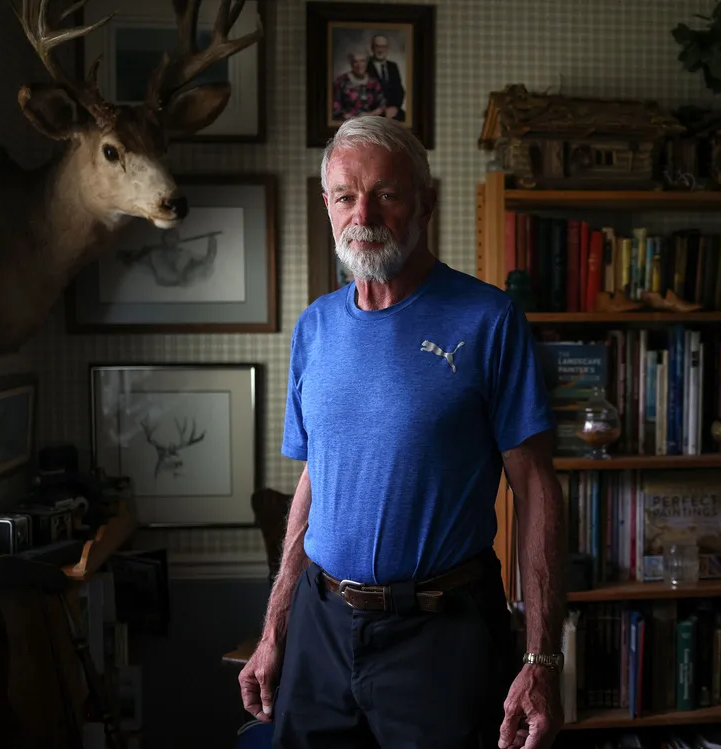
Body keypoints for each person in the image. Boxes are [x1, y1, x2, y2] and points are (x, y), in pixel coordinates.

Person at [237, 115, 567, 749]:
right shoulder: (315, 328)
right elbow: (315, 479)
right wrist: (276, 627)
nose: (364, 213)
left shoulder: (489, 319)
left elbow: (536, 490)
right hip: (321, 625)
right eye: (345, 196)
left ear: (426, 201)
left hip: (441, 636)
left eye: (386, 193)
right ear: (327, 206)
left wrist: (541, 660)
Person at [367, 34, 405, 122]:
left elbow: (399, 90)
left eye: (383, 47)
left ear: (387, 48)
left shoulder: (393, 66)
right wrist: (380, 109)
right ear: (372, 48)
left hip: (392, 110)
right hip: (372, 111)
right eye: (377, 46)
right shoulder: (365, 66)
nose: (380, 50)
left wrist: (394, 107)